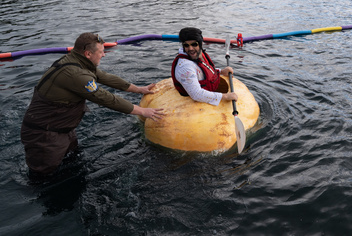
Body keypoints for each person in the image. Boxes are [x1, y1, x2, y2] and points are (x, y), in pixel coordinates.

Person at [21, 32, 164, 176]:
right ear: (88, 53)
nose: (104, 55)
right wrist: (142, 111)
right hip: (44, 135)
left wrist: (139, 89)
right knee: (43, 178)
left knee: (71, 165)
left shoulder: (79, 61)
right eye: (101, 52)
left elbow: (105, 77)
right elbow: (105, 98)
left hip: (63, 130)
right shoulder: (76, 74)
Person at [171, 27, 237, 105]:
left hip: (207, 89)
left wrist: (220, 71)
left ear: (201, 43)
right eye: (186, 45)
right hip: (193, 102)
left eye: (194, 44)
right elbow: (196, 94)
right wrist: (225, 96)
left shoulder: (199, 54)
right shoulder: (185, 67)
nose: (190, 48)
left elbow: (204, 70)